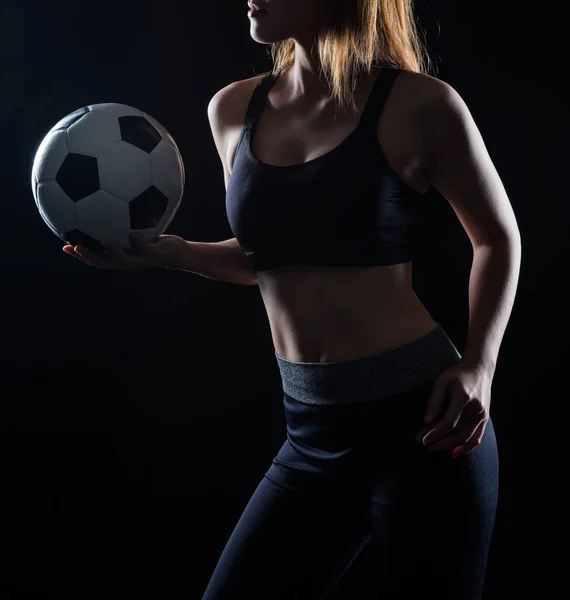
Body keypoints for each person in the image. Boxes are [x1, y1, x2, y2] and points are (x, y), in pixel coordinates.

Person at [64, 0, 522, 598]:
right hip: (313, 433)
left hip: (425, 426)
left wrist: (479, 366)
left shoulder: (419, 104)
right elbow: (269, 260)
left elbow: (497, 237)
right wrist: (168, 251)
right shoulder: (232, 109)